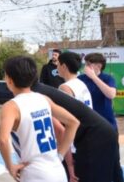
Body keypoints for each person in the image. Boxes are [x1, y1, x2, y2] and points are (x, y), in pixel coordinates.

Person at [0, 56, 79, 182]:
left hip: (34, 174)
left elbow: (2, 140)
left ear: (9, 79)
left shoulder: (11, 106)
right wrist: (60, 155)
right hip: (58, 171)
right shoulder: (43, 99)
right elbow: (73, 122)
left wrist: (10, 167)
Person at [31, 82, 121, 182]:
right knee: (114, 175)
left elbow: (63, 129)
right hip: (103, 131)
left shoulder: (36, 97)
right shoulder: (78, 84)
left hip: (93, 136)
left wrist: (61, 160)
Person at [79, 53, 124, 182]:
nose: (85, 67)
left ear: (98, 65)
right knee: (92, 161)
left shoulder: (108, 78)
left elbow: (111, 94)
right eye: (85, 64)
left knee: (114, 160)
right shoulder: (81, 79)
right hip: (89, 127)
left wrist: (94, 77)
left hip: (108, 125)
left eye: (88, 64)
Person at [55, 52, 93, 182]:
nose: (56, 67)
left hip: (74, 144)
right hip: (87, 140)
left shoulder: (65, 88)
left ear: (64, 66)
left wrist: (68, 160)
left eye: (58, 64)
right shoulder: (82, 84)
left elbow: (65, 125)